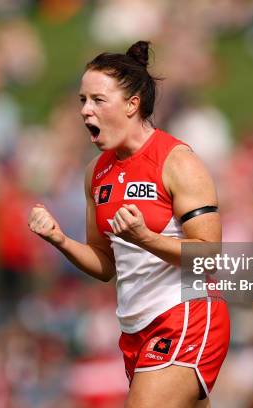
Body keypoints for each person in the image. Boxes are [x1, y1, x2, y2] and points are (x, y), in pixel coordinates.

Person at [28, 41, 230, 408]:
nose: (86, 110)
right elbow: (106, 265)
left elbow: (209, 256)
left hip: (186, 317)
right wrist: (60, 240)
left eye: (97, 100)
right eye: (82, 100)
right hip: (136, 331)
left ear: (132, 104)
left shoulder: (177, 161)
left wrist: (144, 237)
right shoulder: (96, 174)